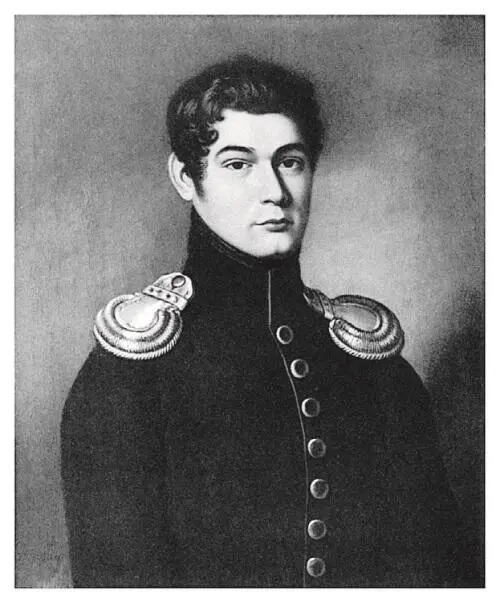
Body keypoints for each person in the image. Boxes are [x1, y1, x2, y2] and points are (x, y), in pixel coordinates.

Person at [61, 55, 476, 588]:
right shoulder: (128, 379)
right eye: (239, 164)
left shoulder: (377, 372)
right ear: (185, 178)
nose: (274, 191)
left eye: (290, 162)